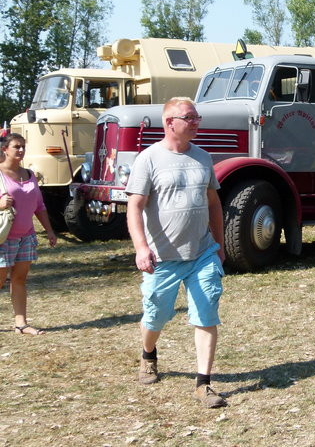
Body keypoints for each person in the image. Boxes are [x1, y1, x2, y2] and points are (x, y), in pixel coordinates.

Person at [126, 97, 227, 408]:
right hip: (163, 258)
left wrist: (220, 245)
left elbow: (214, 204)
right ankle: (148, 354)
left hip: (202, 253)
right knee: (155, 315)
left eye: (197, 116)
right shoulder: (149, 159)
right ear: (170, 122)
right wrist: (141, 248)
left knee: (206, 313)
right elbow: (135, 206)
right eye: (190, 117)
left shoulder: (203, 158)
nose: (197, 121)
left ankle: (204, 383)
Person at [0, 134, 57, 335]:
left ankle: (21, 324)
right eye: (17, 147)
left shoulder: (30, 174)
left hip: (27, 236)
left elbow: (39, 206)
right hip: (3, 237)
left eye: (23, 146)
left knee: (20, 279)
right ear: (5, 149)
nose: (21, 150)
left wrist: (49, 230)